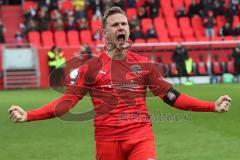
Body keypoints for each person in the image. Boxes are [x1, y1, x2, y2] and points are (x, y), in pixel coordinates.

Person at [8, 6, 231, 160]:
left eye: (124, 24)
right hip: (107, 142)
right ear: (105, 33)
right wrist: (29, 115)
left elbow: (172, 97)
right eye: (115, 25)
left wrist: (211, 106)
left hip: (141, 139)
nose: (122, 28)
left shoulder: (144, 65)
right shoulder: (90, 68)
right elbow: (67, 103)